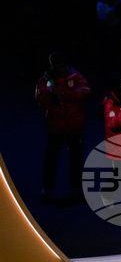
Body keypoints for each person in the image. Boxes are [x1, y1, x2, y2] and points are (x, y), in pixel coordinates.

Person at [35, 51, 90, 203]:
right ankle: (48, 189)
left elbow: (86, 90)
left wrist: (68, 95)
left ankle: (76, 190)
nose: (57, 68)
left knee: (76, 159)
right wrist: (51, 99)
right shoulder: (47, 79)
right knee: (51, 159)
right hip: (55, 125)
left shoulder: (75, 76)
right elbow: (39, 96)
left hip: (74, 124)